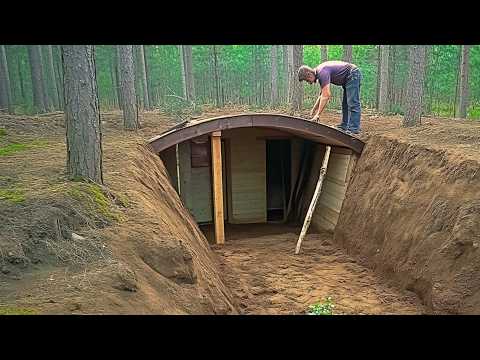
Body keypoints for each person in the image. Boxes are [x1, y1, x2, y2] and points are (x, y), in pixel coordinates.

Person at [298, 60, 362, 135]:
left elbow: (326, 95)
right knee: (345, 104)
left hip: (352, 74)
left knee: (353, 102)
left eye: (307, 80)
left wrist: (318, 115)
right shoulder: (319, 73)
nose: (309, 83)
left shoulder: (322, 72)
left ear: (309, 74)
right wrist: (313, 110)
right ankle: (344, 126)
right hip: (348, 77)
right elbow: (321, 95)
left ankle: (353, 129)